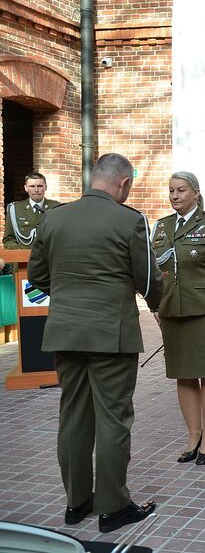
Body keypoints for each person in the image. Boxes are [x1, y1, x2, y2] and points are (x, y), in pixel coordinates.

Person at [27, 153, 163, 533]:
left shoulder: (54, 218)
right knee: (113, 418)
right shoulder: (129, 220)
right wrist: (157, 303)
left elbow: (37, 274)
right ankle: (113, 507)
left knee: (73, 416)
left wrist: (68, 297)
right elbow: (148, 281)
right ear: (123, 183)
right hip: (111, 334)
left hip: (66, 331)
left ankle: (76, 503)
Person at [152, 171, 205, 467]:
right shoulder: (162, 227)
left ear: (196, 193)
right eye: (171, 190)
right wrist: (155, 303)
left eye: (181, 190)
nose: (175, 196)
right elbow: (155, 269)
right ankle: (193, 435)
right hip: (172, 310)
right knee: (184, 373)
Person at [3, 172, 61, 249]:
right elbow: (9, 238)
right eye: (32, 186)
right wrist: (17, 250)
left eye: (40, 186)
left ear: (45, 187)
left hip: (48, 255)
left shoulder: (56, 207)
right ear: (26, 188)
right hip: (23, 255)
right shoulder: (15, 209)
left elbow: (62, 235)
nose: (36, 190)